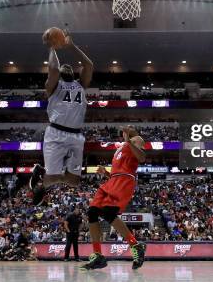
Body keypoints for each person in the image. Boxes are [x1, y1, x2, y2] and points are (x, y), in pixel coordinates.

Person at [30, 31, 94, 205]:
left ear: (74, 72)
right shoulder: (53, 85)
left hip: (76, 135)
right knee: (54, 177)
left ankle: (43, 174)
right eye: (63, 67)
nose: (66, 67)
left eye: (70, 67)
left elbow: (88, 64)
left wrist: (72, 46)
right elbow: (52, 69)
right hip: (56, 134)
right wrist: (53, 46)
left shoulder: (81, 85)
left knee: (74, 182)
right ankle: (43, 181)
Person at [82, 126, 147, 270]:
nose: (132, 141)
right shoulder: (120, 150)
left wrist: (129, 141)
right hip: (112, 180)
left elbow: (142, 157)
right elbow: (115, 173)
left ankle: (135, 245)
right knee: (92, 212)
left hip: (125, 181)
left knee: (108, 213)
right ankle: (98, 255)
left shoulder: (133, 148)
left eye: (135, 141)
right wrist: (105, 172)